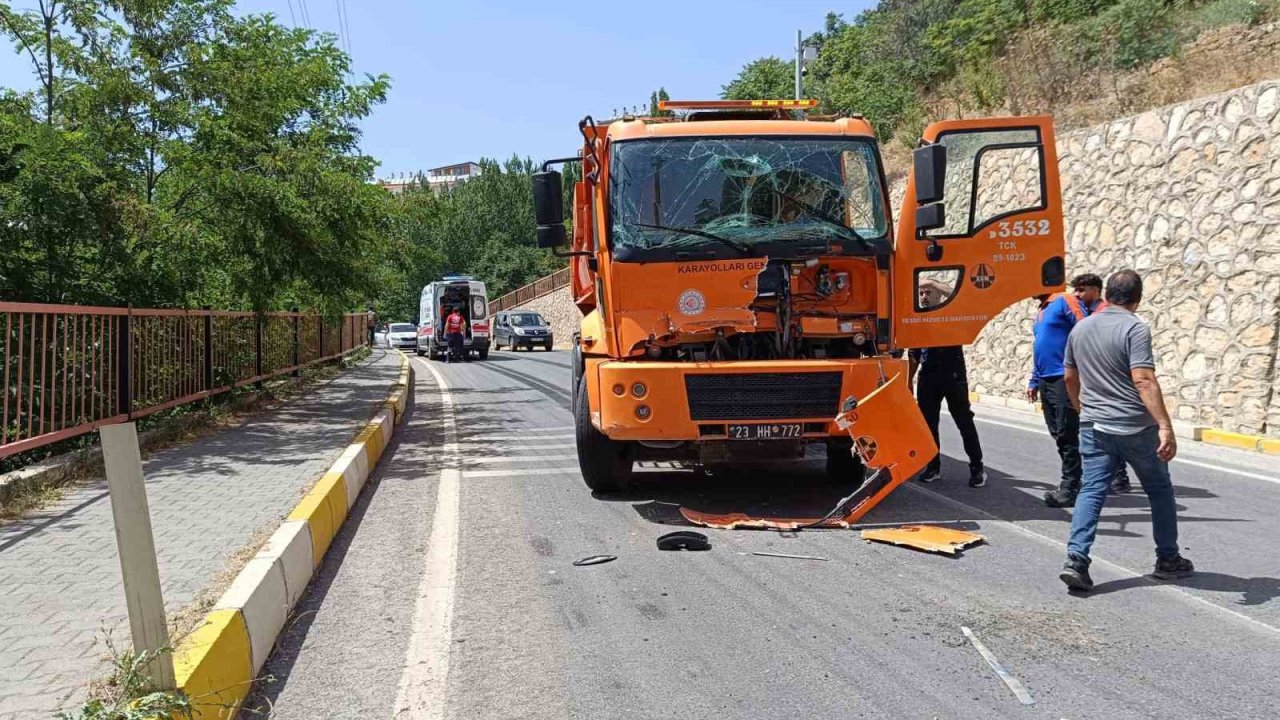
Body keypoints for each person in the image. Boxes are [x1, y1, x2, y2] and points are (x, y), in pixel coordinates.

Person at [1058, 269, 1193, 592]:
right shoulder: (1135, 328)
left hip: (1094, 424)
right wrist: (1164, 425)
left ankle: (1076, 559)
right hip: (1135, 426)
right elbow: (1143, 379)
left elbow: (1069, 377)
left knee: (1092, 491)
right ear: (1138, 298)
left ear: (1105, 295)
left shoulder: (1081, 328)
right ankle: (1168, 559)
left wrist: (1081, 408)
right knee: (1159, 490)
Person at [1031, 274, 1132, 508]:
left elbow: (1086, 327)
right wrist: (1034, 380)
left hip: (1063, 377)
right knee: (1058, 432)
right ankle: (1092, 476)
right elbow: (1040, 346)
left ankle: (1071, 486)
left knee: (1068, 433)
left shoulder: (1065, 299)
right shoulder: (1042, 309)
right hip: (1046, 379)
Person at [908, 280, 986, 488]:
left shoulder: (952, 313)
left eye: (928, 293)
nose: (924, 296)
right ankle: (933, 467)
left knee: (964, 422)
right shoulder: (917, 318)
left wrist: (931, 282)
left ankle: (977, 467)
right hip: (928, 376)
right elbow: (914, 354)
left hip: (953, 376)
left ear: (939, 295)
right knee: (929, 425)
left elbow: (965, 300)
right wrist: (908, 381)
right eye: (921, 293)